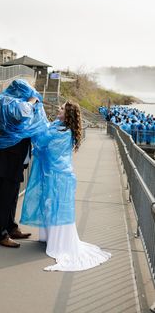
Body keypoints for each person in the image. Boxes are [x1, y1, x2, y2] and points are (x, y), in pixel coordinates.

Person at [20, 101, 111, 271]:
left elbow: (41, 141)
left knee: (56, 208)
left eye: (61, 108)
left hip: (59, 176)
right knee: (50, 206)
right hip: (54, 175)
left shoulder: (62, 131)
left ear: (67, 114)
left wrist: (37, 114)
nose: (58, 109)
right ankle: (51, 238)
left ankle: (58, 243)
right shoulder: (58, 127)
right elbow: (45, 133)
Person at [0, 79, 48, 248]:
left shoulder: (10, 101)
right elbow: (21, 112)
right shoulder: (3, 101)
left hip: (12, 160)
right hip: (4, 160)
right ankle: (0, 234)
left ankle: (10, 227)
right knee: (4, 197)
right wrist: (32, 100)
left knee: (12, 195)